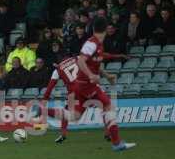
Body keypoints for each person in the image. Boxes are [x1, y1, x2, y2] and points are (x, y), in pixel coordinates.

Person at [48, 17, 136, 151]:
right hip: (86, 84)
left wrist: (107, 76)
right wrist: (91, 75)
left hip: (81, 85)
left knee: (74, 116)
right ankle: (116, 143)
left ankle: (44, 111)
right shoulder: (92, 43)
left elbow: (95, 62)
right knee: (107, 105)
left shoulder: (98, 44)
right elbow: (81, 61)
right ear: (106, 29)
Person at [42, 56, 115, 144]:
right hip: (88, 86)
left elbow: (50, 87)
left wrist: (44, 100)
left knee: (68, 112)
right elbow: (93, 65)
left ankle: (63, 134)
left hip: (74, 93)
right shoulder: (77, 58)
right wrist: (106, 76)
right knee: (106, 106)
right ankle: (108, 133)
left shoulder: (57, 70)